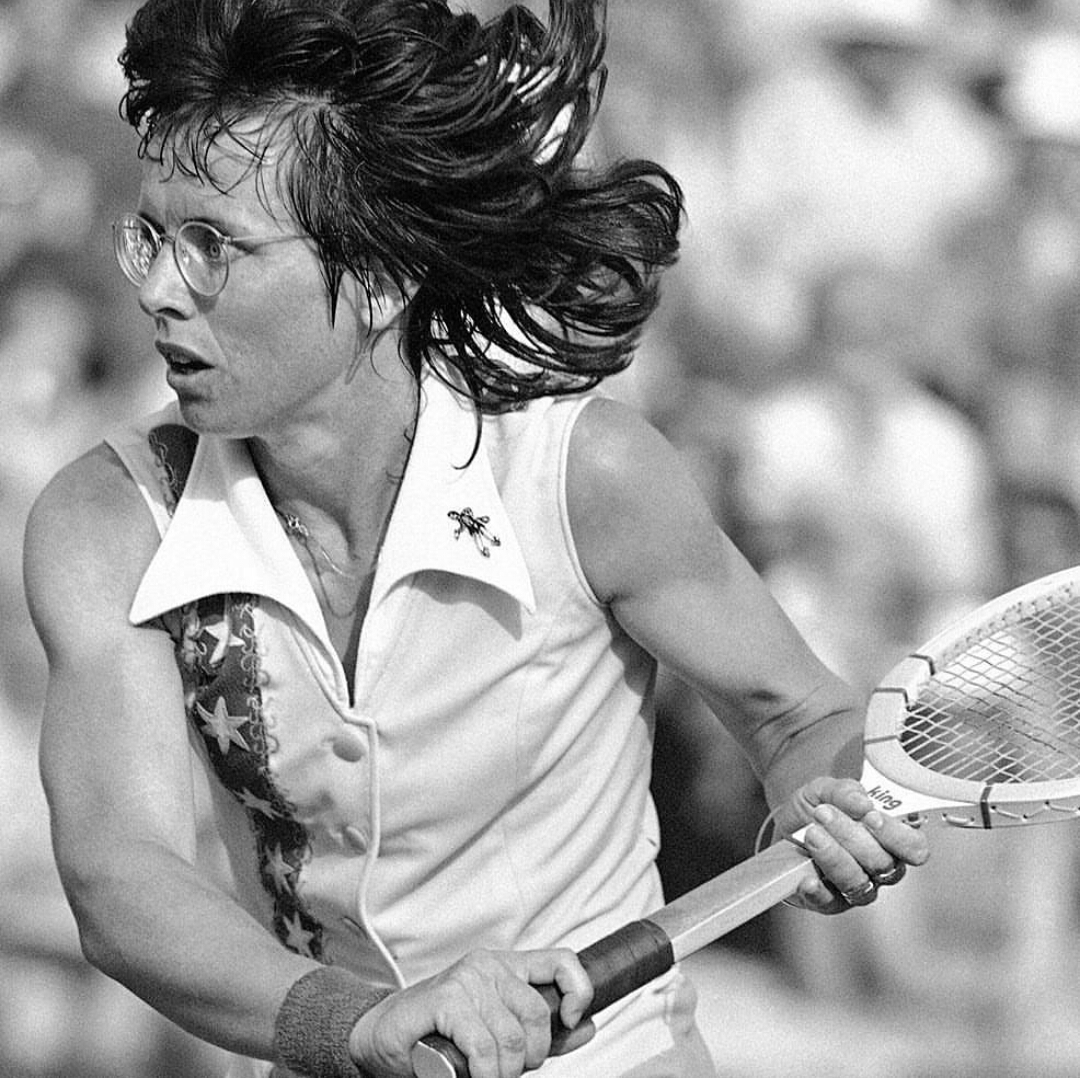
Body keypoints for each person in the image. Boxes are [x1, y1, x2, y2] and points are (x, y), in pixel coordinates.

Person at [23, 1, 928, 1076]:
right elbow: (122, 875)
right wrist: (356, 1023)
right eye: (152, 237)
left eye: (214, 246)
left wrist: (825, 797)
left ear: (379, 277)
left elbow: (804, 715)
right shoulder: (107, 520)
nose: (158, 290)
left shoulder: (586, 473)